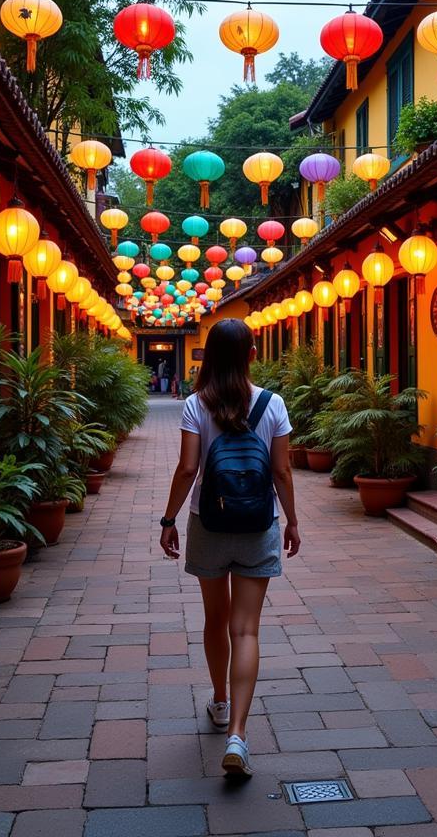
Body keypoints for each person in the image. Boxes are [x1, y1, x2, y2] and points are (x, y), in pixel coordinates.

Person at [160, 319, 300, 777]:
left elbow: (186, 470)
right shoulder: (273, 403)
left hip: (209, 523)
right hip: (259, 523)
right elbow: (282, 473)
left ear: (210, 356)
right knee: (246, 630)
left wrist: (168, 520)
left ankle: (220, 701)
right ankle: (238, 732)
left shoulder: (195, 404)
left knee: (215, 620)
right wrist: (292, 521)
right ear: (250, 355)